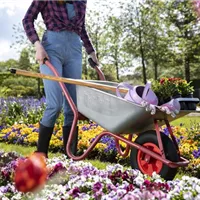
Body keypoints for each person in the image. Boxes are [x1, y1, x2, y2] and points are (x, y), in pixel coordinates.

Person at [22, 0, 98, 157]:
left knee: (72, 107)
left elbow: (81, 28)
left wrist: (91, 52)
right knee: (54, 105)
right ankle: (41, 154)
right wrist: (38, 46)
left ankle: (70, 156)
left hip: (75, 50)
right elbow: (27, 19)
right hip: (51, 49)